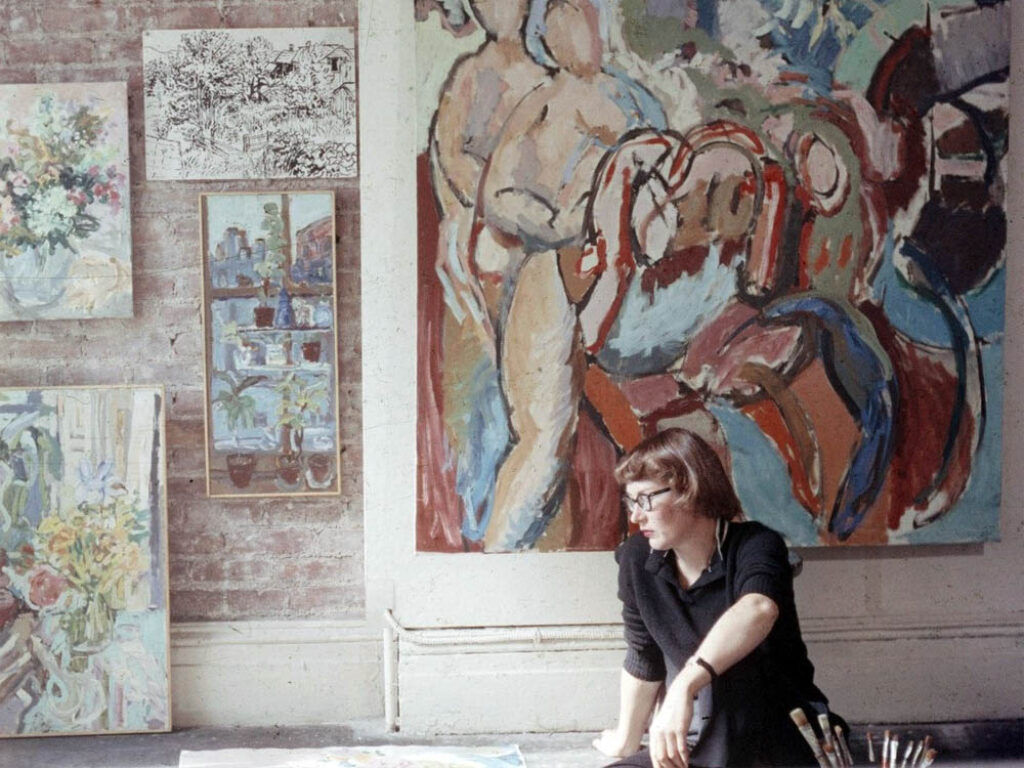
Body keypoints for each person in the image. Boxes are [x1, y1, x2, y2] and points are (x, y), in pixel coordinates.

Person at [594, 428, 843, 768]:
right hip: (697, 739)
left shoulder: (757, 545)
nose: (636, 516)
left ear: (690, 492)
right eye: (631, 502)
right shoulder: (637, 558)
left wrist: (684, 685)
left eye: (646, 499)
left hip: (777, 736)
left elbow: (759, 608)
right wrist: (627, 738)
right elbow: (643, 654)